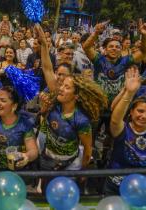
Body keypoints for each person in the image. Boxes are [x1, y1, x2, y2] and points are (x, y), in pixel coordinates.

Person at [35, 24, 107, 176]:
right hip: (47, 159)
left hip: (70, 167)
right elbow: (47, 68)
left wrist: (82, 172)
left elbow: (87, 152)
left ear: (76, 96)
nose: (61, 88)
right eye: (62, 85)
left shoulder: (81, 121)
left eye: (67, 87)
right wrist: (43, 43)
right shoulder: (55, 98)